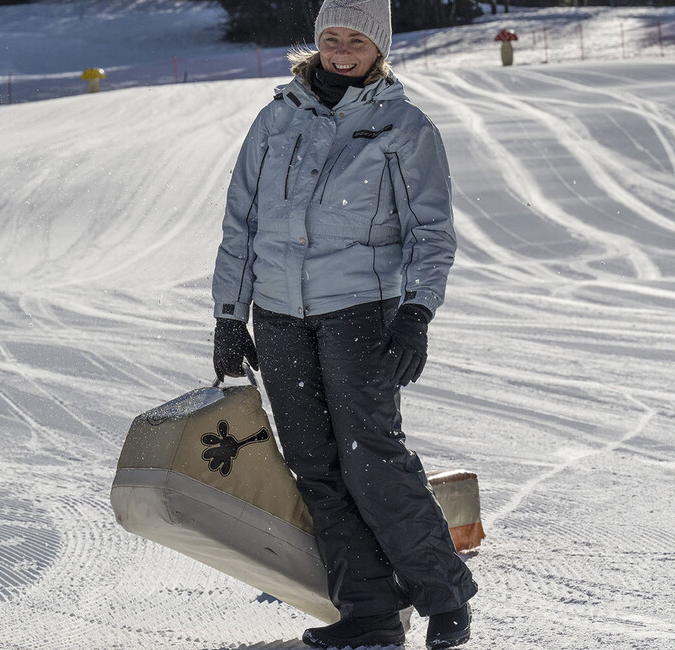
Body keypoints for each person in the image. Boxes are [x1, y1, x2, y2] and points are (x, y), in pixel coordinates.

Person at [210, 0, 477, 648]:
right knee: (315, 467)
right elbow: (241, 224)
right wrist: (228, 316)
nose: (340, 50)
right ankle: (369, 614)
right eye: (331, 37)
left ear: (378, 47)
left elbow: (431, 232)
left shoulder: (403, 127)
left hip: (359, 311)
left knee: (371, 460)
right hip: (278, 318)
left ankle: (445, 595)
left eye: (355, 39)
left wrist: (415, 313)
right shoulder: (276, 120)